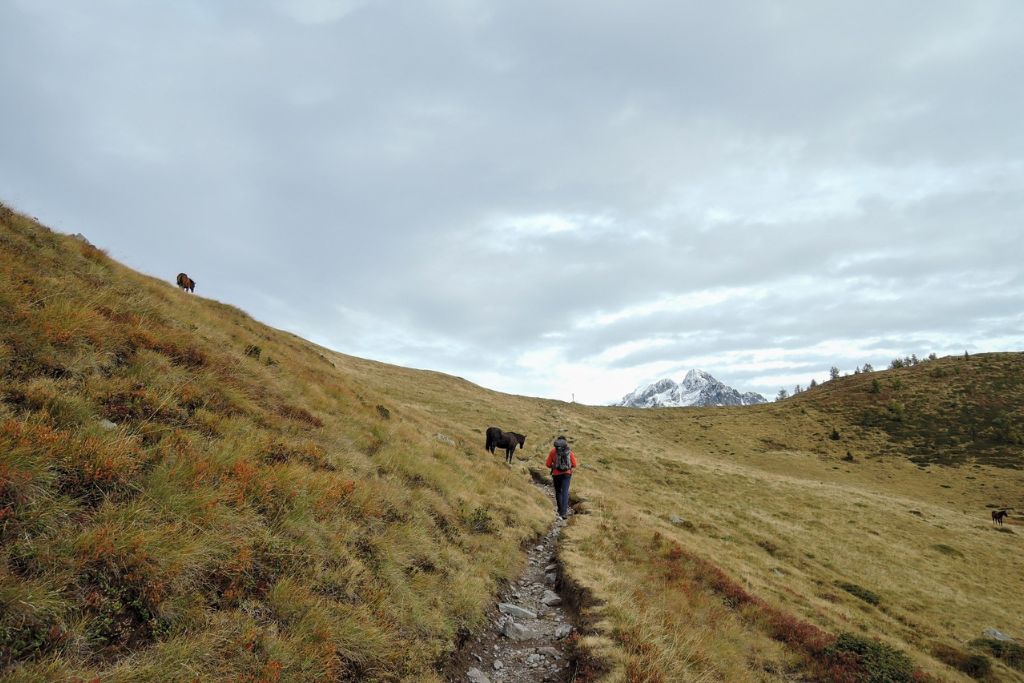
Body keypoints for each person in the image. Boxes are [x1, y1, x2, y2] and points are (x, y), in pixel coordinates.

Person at [546, 436, 577, 519]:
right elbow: (574, 464)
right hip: (567, 474)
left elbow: (548, 464)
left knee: (558, 491)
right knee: (565, 492)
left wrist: (554, 466)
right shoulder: (569, 451)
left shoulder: (553, 451)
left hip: (556, 474)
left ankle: (560, 511)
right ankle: (564, 512)